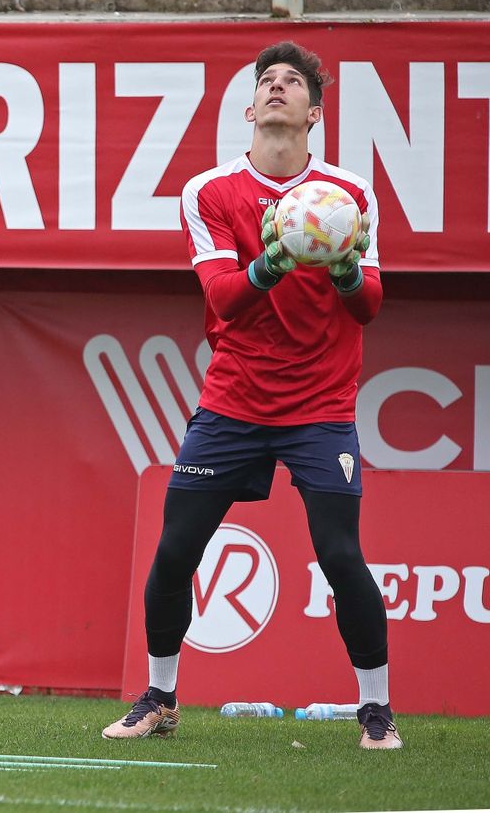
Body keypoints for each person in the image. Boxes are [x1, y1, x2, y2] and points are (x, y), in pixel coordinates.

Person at [104, 41, 399, 750]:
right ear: (249, 107)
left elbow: (370, 309)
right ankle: (161, 699)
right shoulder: (209, 191)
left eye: (292, 83)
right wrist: (273, 258)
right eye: (266, 81)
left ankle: (377, 711)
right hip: (233, 401)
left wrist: (346, 269)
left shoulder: (348, 195)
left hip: (321, 408)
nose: (277, 89)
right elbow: (224, 299)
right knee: (176, 553)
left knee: (339, 556)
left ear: (314, 112)